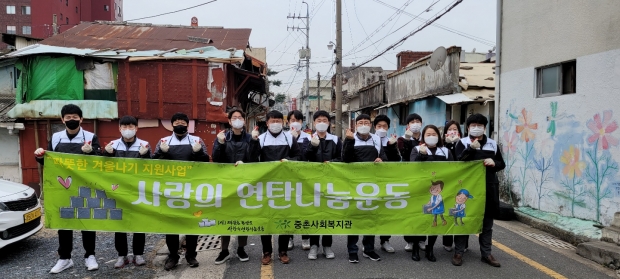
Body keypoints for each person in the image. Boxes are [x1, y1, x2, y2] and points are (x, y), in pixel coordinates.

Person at [34, 104, 101, 274]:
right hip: (62, 187)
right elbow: (51, 163)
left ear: (81, 119)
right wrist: (40, 156)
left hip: (85, 185)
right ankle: (65, 258)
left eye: (75, 117)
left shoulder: (91, 136)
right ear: (62, 119)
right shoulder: (56, 137)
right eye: (68, 117)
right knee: (63, 221)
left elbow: (100, 163)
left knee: (87, 220)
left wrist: (91, 152)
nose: (72, 120)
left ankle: (90, 255)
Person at [152, 112, 210, 271]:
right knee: (171, 224)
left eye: (183, 122)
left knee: (192, 222)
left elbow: (206, 163)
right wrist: (160, 153)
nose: (180, 124)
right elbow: (153, 165)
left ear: (187, 125)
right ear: (172, 125)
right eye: (176, 122)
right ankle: (173, 256)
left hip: (191, 189)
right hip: (170, 189)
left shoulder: (197, 140)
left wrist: (198, 153)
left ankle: (191, 255)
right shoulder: (163, 141)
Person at [452, 114, 505, 267]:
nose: (476, 127)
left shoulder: (493, 144)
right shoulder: (462, 143)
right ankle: (459, 252)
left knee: (487, 222)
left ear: (485, 127)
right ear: (468, 128)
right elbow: (458, 162)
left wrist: (494, 162)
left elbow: (502, 163)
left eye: (480, 125)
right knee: (463, 218)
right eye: (473, 125)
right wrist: (470, 149)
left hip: (489, 187)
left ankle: (486, 253)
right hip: (467, 189)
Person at [102, 116, 151, 268]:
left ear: (136, 128)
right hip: (118, 191)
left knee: (139, 223)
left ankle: (138, 254)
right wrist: (107, 154)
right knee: (120, 224)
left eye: (131, 126)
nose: (127, 129)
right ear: (119, 128)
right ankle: (121, 256)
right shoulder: (112, 145)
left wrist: (146, 155)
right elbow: (103, 168)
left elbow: (151, 169)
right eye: (124, 126)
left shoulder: (144, 145)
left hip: (137, 190)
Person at [254, 110, 301, 265]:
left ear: (283, 122)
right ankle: (266, 252)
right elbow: (253, 160)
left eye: (278, 121)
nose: (276, 124)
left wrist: (288, 160)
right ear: (267, 123)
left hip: (285, 184)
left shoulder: (290, 138)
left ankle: (283, 251)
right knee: (266, 219)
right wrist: (252, 143)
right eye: (272, 121)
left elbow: (298, 157)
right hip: (266, 185)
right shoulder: (260, 139)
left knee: (284, 219)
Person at [212, 109, 259, 264]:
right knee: (225, 216)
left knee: (242, 216)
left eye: (240, 117)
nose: (237, 120)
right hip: (226, 183)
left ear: (244, 121)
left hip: (245, 183)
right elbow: (217, 160)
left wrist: (253, 142)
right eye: (234, 118)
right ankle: (224, 250)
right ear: (230, 121)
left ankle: (241, 248)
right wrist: (219, 143)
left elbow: (254, 160)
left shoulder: (249, 137)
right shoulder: (222, 137)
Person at [342, 114, 387, 263]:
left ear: (371, 125)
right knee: (354, 216)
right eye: (360, 122)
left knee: (371, 217)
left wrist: (382, 160)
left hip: (373, 184)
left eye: (366, 122)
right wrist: (349, 141)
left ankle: (369, 249)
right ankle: (352, 250)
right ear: (356, 125)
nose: (363, 125)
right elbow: (345, 159)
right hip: (354, 183)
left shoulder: (376, 139)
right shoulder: (350, 138)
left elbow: (384, 157)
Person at [410, 125, 454, 262]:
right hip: (421, 190)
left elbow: (453, 169)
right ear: (423, 136)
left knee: (434, 221)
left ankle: (430, 248)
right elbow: (411, 167)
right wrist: (422, 155)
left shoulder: (445, 151)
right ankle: (416, 248)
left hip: (439, 192)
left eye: (433, 134)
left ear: (439, 136)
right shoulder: (417, 149)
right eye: (428, 134)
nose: (431, 136)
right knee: (420, 220)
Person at [304, 110, 342, 260]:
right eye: (319, 120)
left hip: (331, 182)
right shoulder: (308, 139)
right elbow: (303, 158)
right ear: (314, 123)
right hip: (312, 183)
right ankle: (314, 245)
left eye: (325, 120)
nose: (321, 122)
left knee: (328, 213)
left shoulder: (336, 139)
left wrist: (331, 164)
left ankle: (327, 245)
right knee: (314, 213)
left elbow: (342, 158)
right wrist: (312, 146)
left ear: (329, 123)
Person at [372, 114, 401, 254]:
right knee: (371, 211)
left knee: (386, 212)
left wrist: (392, 146)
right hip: (371, 182)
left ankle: (385, 240)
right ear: (374, 127)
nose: (382, 128)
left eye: (384, 126)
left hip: (387, 181)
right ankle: (368, 242)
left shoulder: (392, 141)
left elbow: (397, 160)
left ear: (388, 128)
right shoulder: (370, 140)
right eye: (379, 126)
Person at [397, 113, 424, 252]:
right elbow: (404, 155)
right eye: (412, 121)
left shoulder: (427, 138)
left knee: (423, 208)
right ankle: (409, 240)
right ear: (407, 125)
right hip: (408, 178)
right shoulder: (402, 139)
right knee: (409, 210)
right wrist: (407, 140)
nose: (415, 123)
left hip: (424, 179)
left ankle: (421, 239)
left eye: (417, 121)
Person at [287, 110, 311, 250]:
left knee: (304, 209)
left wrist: (296, 140)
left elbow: (305, 156)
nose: (295, 123)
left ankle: (305, 237)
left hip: (304, 179)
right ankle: (289, 237)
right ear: (288, 122)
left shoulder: (308, 138)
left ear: (302, 122)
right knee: (289, 209)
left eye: (298, 120)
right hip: (288, 179)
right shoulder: (284, 137)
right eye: (292, 120)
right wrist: (292, 139)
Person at [441, 120, 463, 252]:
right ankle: (447, 242)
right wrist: (449, 145)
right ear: (445, 132)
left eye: (455, 129)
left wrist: (456, 144)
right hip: (448, 184)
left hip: (461, 182)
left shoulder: (463, 144)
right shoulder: (443, 147)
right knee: (448, 212)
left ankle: (462, 244)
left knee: (460, 212)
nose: (452, 131)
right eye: (450, 129)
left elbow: (462, 159)